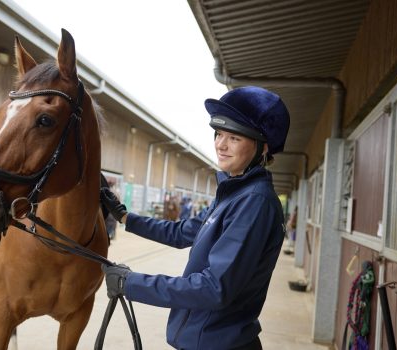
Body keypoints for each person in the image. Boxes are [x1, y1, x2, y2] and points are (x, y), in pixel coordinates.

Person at [100, 86, 290, 350]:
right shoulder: (234, 194)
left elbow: (214, 288)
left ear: (263, 146)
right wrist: (124, 217)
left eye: (234, 138)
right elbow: (182, 232)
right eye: (219, 134)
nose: (220, 145)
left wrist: (131, 283)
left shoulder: (254, 202)